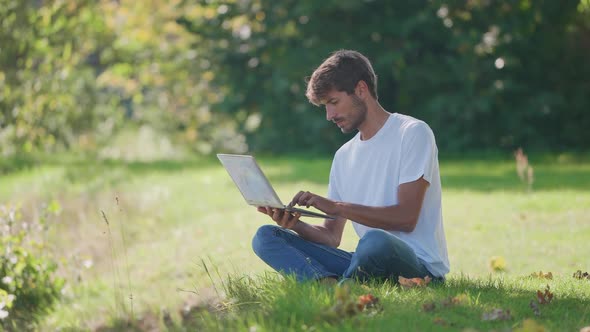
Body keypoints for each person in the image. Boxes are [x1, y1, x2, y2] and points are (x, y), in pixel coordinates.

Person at [251, 50, 449, 283]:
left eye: (334, 102)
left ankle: (346, 286)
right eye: (325, 106)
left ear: (361, 90)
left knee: (376, 241)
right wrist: (296, 225)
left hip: (417, 266)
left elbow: (406, 218)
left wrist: (337, 207)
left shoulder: (412, 133)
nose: (329, 115)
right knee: (266, 237)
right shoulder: (344, 156)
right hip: (367, 258)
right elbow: (331, 237)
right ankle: (328, 285)